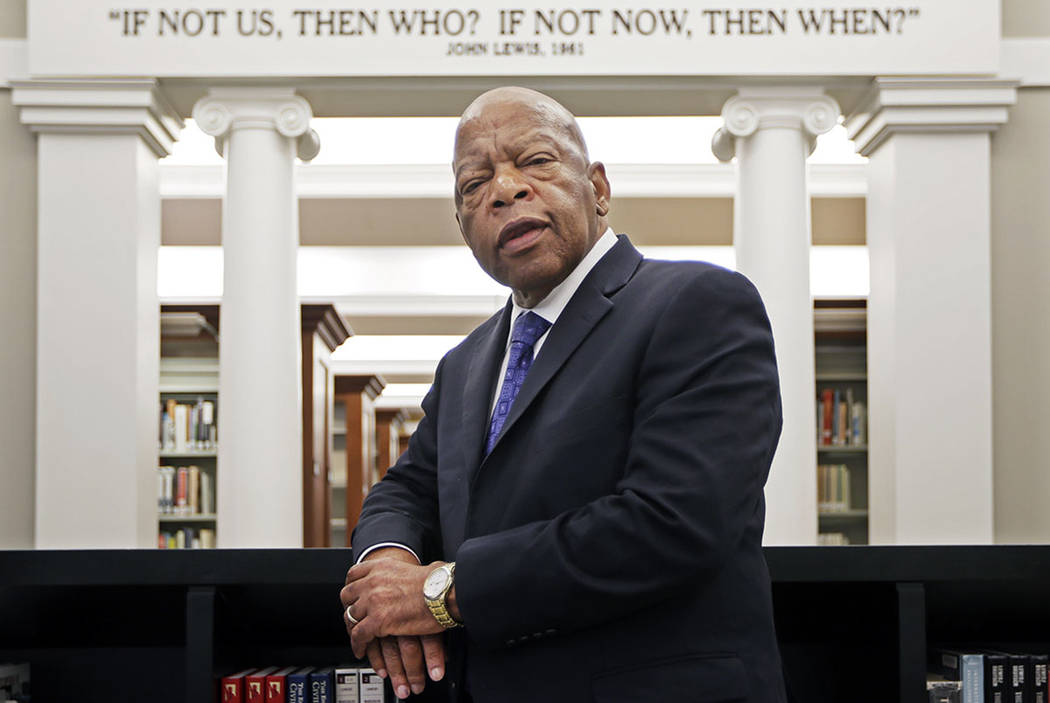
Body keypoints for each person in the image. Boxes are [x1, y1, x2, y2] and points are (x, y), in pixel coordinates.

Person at [340, 86, 787, 703]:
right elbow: (407, 488)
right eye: (475, 185)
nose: (504, 190)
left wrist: (442, 595)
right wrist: (389, 565)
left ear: (598, 188)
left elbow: (674, 522)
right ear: (465, 227)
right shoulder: (465, 362)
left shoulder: (698, 304)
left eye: (536, 162)